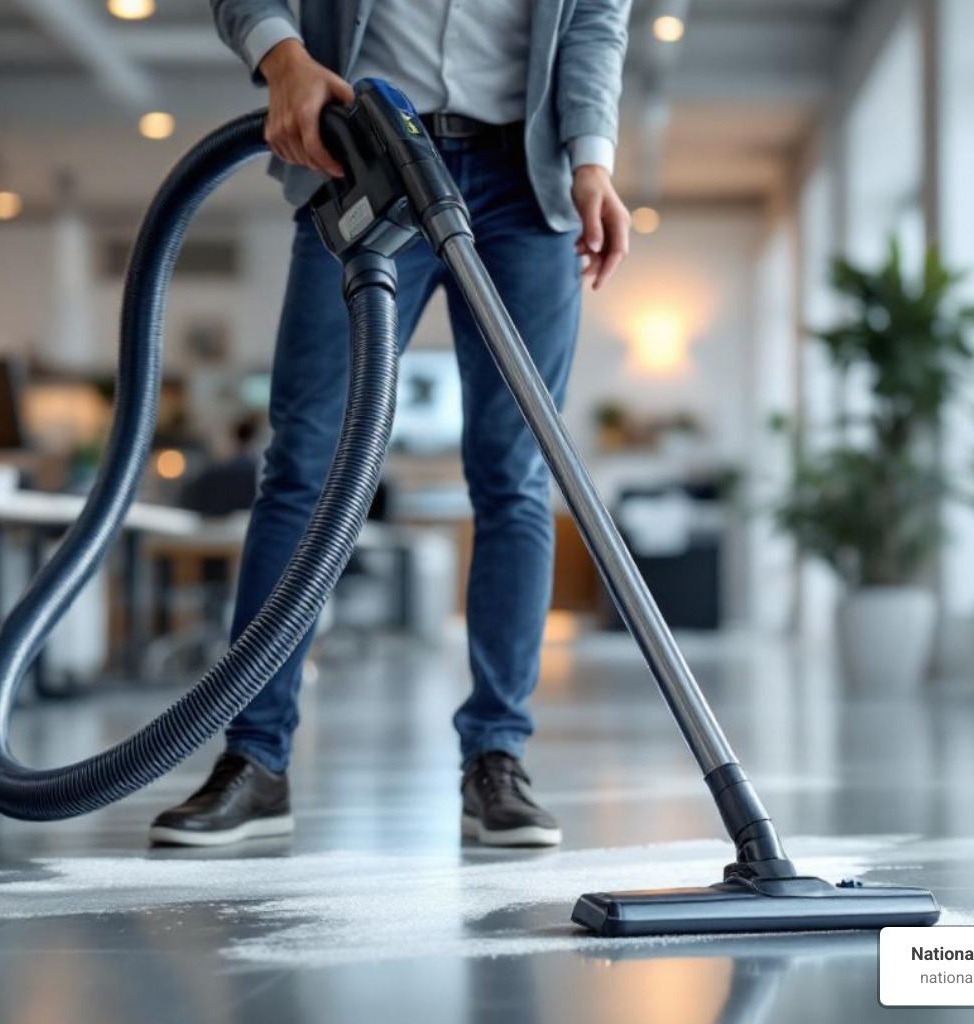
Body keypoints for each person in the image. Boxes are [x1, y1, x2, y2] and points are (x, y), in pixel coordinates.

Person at [149, 0, 632, 848]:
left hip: (526, 179)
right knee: (304, 468)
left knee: (515, 474)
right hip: (364, 152)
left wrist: (592, 158)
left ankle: (498, 758)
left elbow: (593, 19)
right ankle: (255, 759)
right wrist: (283, 59)